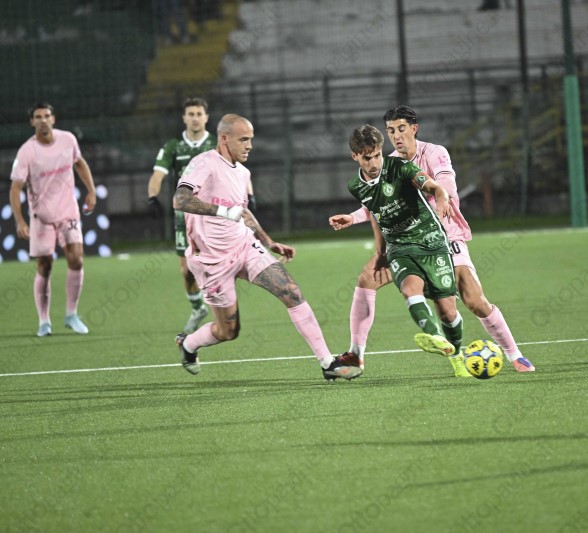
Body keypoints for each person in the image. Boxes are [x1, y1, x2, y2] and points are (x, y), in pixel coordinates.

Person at [329, 105, 535, 375]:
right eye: (391, 130)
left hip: (445, 235)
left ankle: (514, 353)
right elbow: (378, 204)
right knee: (367, 278)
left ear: (414, 128)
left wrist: (438, 196)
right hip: (405, 241)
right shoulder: (385, 163)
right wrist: (353, 217)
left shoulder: (434, 153)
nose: (396, 135)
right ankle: (356, 354)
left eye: (401, 128)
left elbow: (445, 185)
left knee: (472, 300)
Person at [172, 114, 360, 381]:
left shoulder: (243, 172)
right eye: (243, 140)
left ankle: (328, 362)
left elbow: (243, 211)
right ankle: (189, 344)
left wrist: (268, 241)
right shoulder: (203, 163)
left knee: (291, 291)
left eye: (251, 139)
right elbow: (180, 200)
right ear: (224, 138)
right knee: (228, 331)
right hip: (211, 261)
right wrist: (223, 211)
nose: (249, 146)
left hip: (244, 246)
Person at [330, 124, 466, 370]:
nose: (374, 163)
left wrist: (441, 196)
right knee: (410, 289)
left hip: (431, 240)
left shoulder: (401, 167)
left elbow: (432, 186)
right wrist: (380, 252)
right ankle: (435, 337)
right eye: (367, 158)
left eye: (377, 156)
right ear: (355, 156)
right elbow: (376, 213)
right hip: (399, 246)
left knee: (448, 312)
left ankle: (456, 351)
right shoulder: (356, 185)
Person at [147, 97, 256, 334]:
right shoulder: (173, 146)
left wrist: (250, 194)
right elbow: (158, 174)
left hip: (216, 217)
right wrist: (152, 196)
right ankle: (198, 308)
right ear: (184, 118)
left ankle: (225, 309)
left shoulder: (216, 144)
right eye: (191, 114)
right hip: (186, 216)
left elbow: (237, 169)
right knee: (187, 271)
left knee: (225, 262)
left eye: (199, 114)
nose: (195, 118)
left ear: (206, 117)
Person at [9, 102, 96, 337]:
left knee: (76, 259)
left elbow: (80, 163)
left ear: (53, 119)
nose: (43, 120)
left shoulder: (68, 140)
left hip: (68, 211)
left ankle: (71, 315)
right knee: (45, 266)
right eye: (38, 117)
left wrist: (91, 191)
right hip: (42, 217)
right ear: (32, 122)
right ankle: (44, 321)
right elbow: (15, 188)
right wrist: (20, 221)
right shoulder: (27, 151)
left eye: (47, 116)